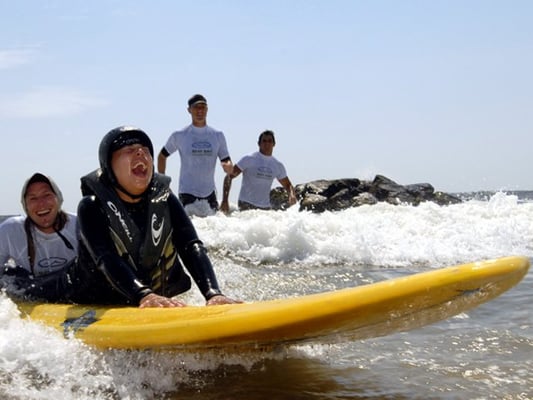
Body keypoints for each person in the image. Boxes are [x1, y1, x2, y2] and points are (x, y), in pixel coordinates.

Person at [74, 126, 240, 308]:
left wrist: (213, 293)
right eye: (129, 150)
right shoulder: (91, 206)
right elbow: (105, 257)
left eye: (145, 151)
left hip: (148, 298)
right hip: (93, 298)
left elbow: (191, 246)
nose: (140, 153)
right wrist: (144, 294)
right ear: (109, 165)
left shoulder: (164, 199)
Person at [0, 173, 78, 301]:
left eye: (47, 195)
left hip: (74, 290)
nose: (41, 204)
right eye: (33, 198)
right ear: (25, 205)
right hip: (31, 290)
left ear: (58, 199)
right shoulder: (10, 230)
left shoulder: (80, 225)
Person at [157, 94, 233, 213]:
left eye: (203, 107)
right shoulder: (180, 135)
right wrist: (164, 183)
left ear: (207, 109)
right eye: (196, 107)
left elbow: (226, 160)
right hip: (187, 193)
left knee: (214, 228)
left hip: (210, 193)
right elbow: (162, 156)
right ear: (189, 110)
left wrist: (228, 166)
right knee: (190, 229)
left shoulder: (217, 135)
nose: (200, 111)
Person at [220, 130, 297, 212]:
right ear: (259, 143)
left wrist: (291, 195)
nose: (267, 144)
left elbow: (288, 185)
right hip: (246, 204)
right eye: (264, 141)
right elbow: (229, 176)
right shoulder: (249, 159)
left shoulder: (277, 165)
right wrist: (225, 200)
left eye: (270, 141)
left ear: (274, 144)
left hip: (265, 207)